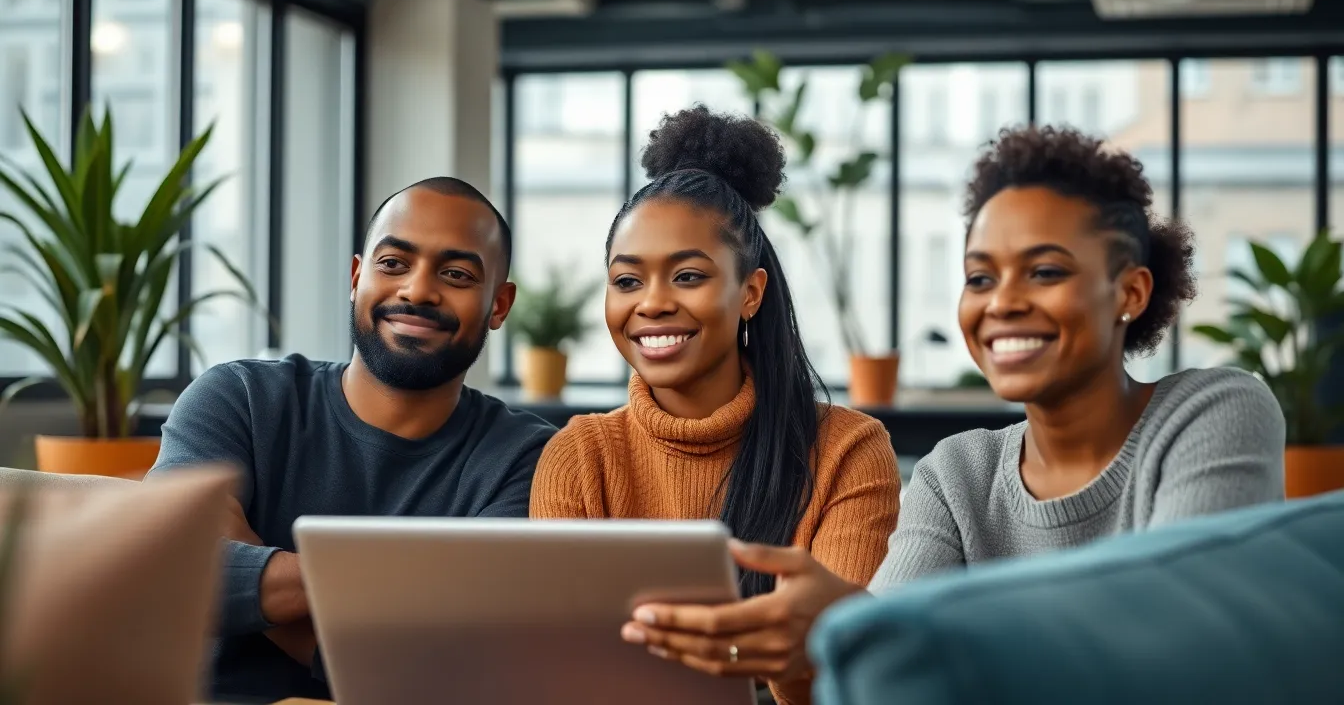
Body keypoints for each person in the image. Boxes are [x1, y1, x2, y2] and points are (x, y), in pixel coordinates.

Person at [614, 125, 1287, 702]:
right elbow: (893, 665)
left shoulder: (1213, 411)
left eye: (1045, 272)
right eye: (980, 277)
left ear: (1130, 292)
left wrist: (870, 628)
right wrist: (828, 640)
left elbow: (1181, 644)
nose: (1003, 303)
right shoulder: (957, 474)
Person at [529, 106, 902, 705]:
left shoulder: (848, 449)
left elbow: (847, 680)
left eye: (687, 276)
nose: (650, 303)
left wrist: (795, 652)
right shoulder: (578, 456)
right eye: (627, 281)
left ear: (750, 292)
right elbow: (565, 672)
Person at [147, 177, 557, 703]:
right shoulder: (240, 399)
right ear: (357, 276)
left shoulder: (529, 457)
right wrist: (424, 582)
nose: (416, 291)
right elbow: (162, 574)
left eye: (455, 273)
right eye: (393, 264)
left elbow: (456, 666)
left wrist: (249, 563)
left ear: (499, 305)